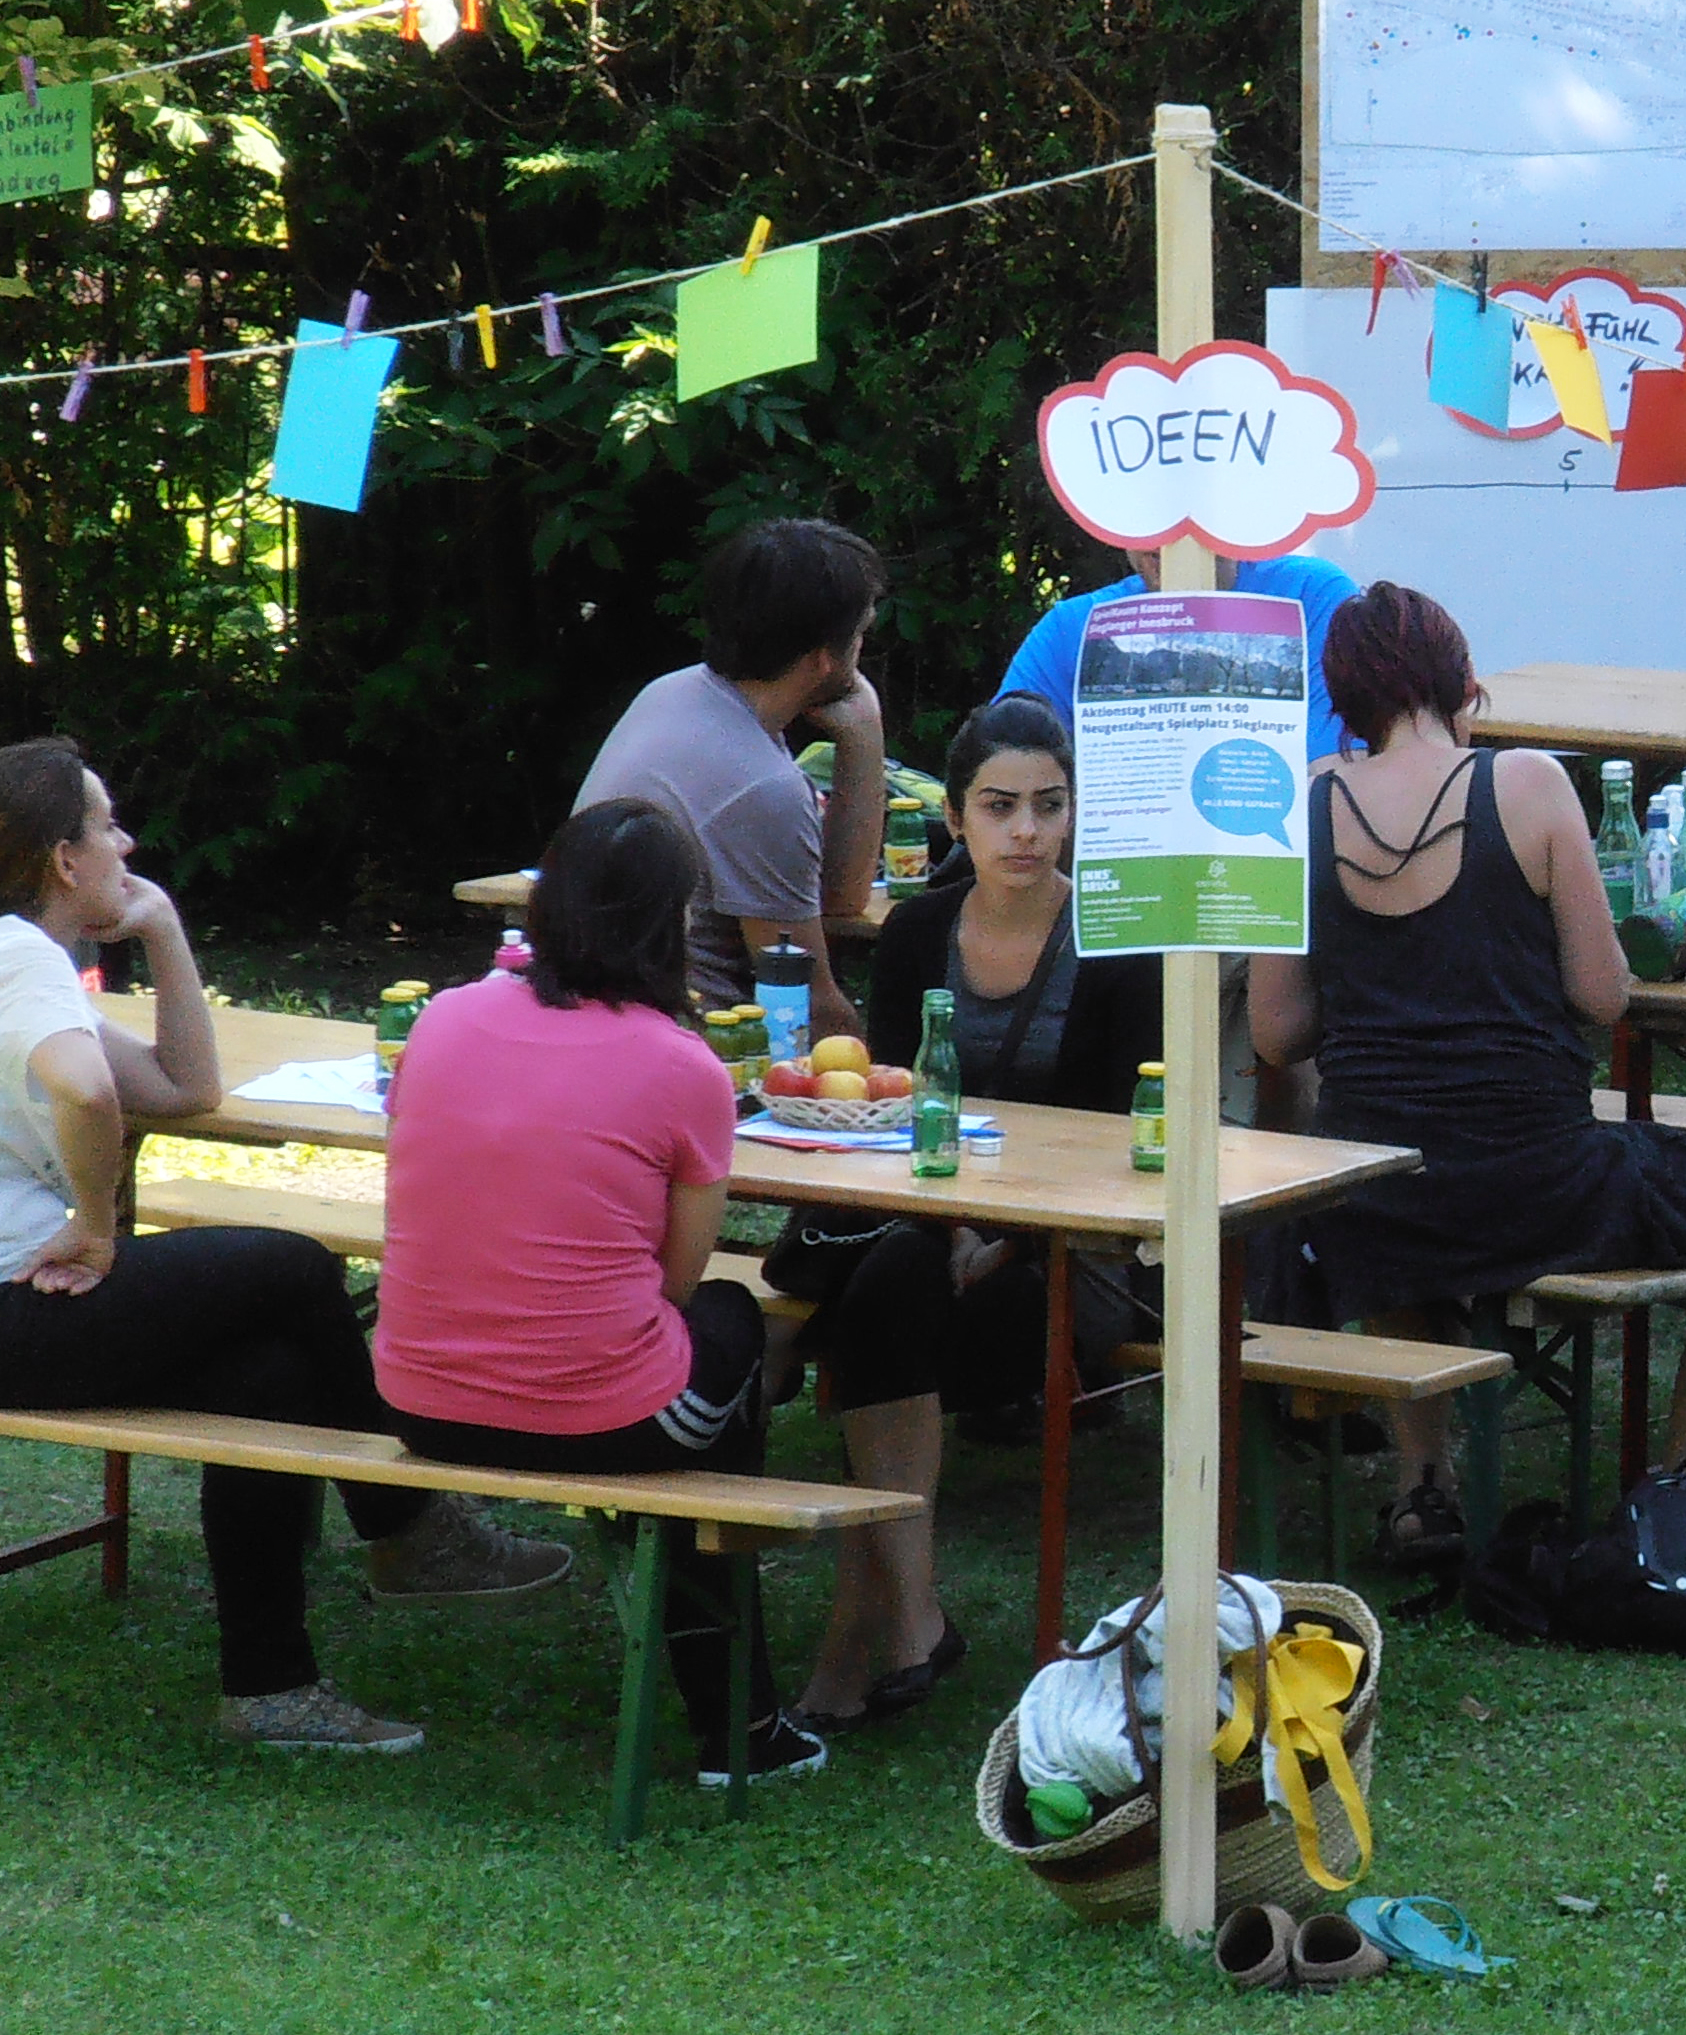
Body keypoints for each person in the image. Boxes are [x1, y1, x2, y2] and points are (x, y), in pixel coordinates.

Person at [0, 741, 566, 1756]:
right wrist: (98, 1224)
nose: (127, 841)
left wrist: (160, 924)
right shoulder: (14, 957)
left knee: (272, 1372)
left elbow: (184, 1088)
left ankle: (271, 1685)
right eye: (107, 824)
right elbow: (87, 1090)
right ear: (64, 860)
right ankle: (410, 1529)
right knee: (290, 1265)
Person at [1246, 584, 1686, 1566]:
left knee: (1396, 1177)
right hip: (1540, 1185)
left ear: (1341, 694)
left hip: (1373, 1199)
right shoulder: (1524, 784)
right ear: (1456, 676)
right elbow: (1600, 993)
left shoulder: (1301, 801)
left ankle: (1421, 1486)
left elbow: (1275, 1029)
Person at [378, 800, 821, 1789]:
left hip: (420, 1404)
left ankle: (737, 1707)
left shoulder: (442, 1019)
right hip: (597, 1415)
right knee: (737, 1319)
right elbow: (679, 1277)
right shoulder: (682, 1065)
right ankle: (738, 1718)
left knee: (708, 1334)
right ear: (675, 924)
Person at [764, 693, 1162, 1728]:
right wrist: (950, 1229)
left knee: (873, 1307)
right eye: (999, 806)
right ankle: (903, 1616)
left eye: (1047, 804)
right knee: (890, 1285)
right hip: (924, 1236)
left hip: (1072, 1260)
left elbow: (1122, 1143)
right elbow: (894, 1108)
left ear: (1075, 813)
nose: (1025, 830)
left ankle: (876, 1627)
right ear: (954, 818)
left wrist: (1002, 1235)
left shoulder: (1117, 936)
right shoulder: (918, 930)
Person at [575, 515, 889, 1036]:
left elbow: (838, 897)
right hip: (697, 1049)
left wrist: (862, 738)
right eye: (859, 636)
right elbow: (810, 1004)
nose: (862, 653)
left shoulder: (670, 694)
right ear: (822, 661)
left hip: (600, 1026)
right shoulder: (761, 786)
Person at [1000, 544, 1358, 756]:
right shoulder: (1071, 628)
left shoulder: (1311, 594)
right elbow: (1003, 773)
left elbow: (1337, 769)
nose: (1172, 532)